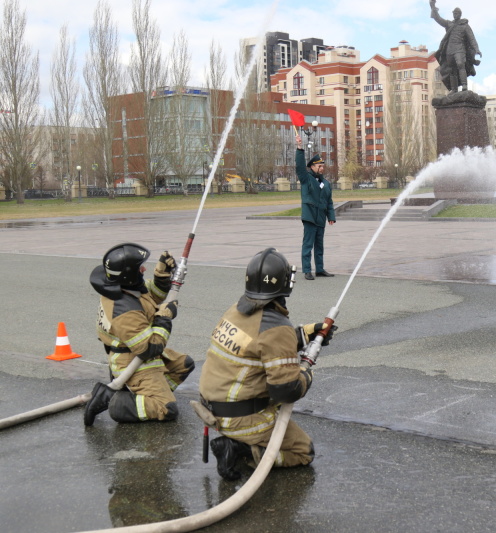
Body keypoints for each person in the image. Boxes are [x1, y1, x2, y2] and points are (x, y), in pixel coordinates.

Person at [198, 247, 335, 481]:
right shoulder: (275, 327)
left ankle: (238, 441)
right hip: (241, 417)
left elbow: (259, 346)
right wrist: (305, 373)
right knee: (303, 452)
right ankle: (241, 450)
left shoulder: (236, 310)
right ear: (285, 283)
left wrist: (304, 335)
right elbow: (286, 390)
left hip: (214, 408)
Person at [85, 243, 195, 425]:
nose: (144, 269)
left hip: (135, 352)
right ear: (128, 275)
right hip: (132, 360)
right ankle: (120, 403)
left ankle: (144, 392)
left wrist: (161, 275)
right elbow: (150, 348)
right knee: (167, 409)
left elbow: (151, 295)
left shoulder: (124, 288)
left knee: (183, 365)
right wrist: (165, 317)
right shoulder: (124, 311)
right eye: (139, 268)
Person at [296, 134, 336, 280]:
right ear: (312, 167)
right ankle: (307, 270)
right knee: (308, 245)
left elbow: (329, 201)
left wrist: (331, 216)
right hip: (309, 217)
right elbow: (300, 166)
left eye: (323, 166)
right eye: (319, 166)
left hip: (321, 218)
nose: (321, 168)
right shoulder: (307, 179)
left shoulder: (326, 183)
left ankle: (319, 269)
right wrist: (299, 148)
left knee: (319, 246)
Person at [430, 0, 482, 94]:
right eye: (454, 13)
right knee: (451, 70)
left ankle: (464, 85)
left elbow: (471, 39)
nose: (455, 14)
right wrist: (432, 7)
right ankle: (454, 89)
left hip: (460, 49)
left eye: (457, 13)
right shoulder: (449, 24)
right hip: (449, 50)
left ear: (460, 14)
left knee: (460, 65)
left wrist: (476, 49)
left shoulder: (464, 25)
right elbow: (438, 19)